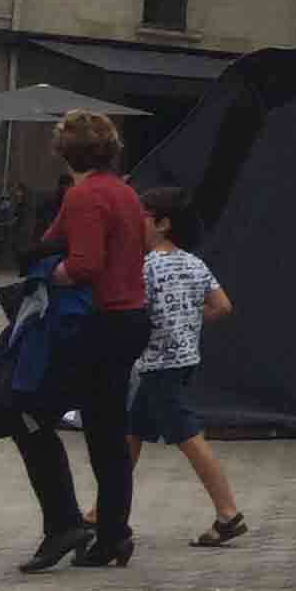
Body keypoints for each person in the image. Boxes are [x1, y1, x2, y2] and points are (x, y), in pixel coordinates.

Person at [8, 109, 149, 571]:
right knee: (107, 430)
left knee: (28, 413)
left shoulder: (85, 194)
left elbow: (84, 264)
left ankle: (65, 523)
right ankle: (112, 535)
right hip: (128, 317)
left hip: (94, 323)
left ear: (63, 150)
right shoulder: (125, 192)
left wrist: (46, 274)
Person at [124, 187, 245, 544]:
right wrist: (188, 322)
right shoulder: (194, 262)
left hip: (155, 364)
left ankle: (228, 513)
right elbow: (222, 306)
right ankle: (105, 508)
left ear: (162, 224)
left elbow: (135, 313)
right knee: (130, 433)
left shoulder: (146, 268)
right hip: (184, 359)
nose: (138, 223)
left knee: (189, 436)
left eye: (144, 216)